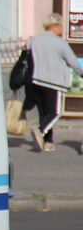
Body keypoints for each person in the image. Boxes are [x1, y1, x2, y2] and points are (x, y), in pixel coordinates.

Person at [26, 12, 83, 152]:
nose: (62, 29)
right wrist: (81, 72)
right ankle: (40, 131)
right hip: (54, 82)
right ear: (55, 26)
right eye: (61, 26)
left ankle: (47, 142)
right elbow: (72, 62)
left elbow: (25, 54)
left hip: (37, 80)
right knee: (55, 112)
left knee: (44, 113)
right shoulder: (60, 43)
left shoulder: (34, 40)